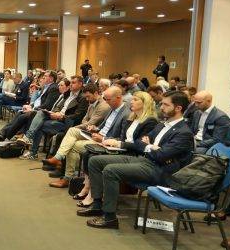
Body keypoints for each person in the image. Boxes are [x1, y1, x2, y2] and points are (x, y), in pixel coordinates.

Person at [79, 91, 194, 229]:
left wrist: (148, 146)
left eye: (165, 104)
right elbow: (139, 142)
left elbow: (161, 155)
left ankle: (109, 217)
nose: (161, 107)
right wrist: (152, 147)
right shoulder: (162, 124)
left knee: (111, 170)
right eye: (162, 103)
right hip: (146, 161)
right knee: (95, 161)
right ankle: (97, 204)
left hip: (161, 171)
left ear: (178, 108)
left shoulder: (184, 133)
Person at [21, 76, 88, 160]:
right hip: (57, 117)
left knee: (38, 124)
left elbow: (78, 116)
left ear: (80, 84)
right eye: (70, 83)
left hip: (66, 122)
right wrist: (55, 113)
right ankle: (29, 139)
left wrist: (61, 116)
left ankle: (31, 147)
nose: (71, 85)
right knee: (40, 112)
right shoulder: (69, 94)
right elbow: (59, 107)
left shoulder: (82, 98)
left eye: (73, 83)